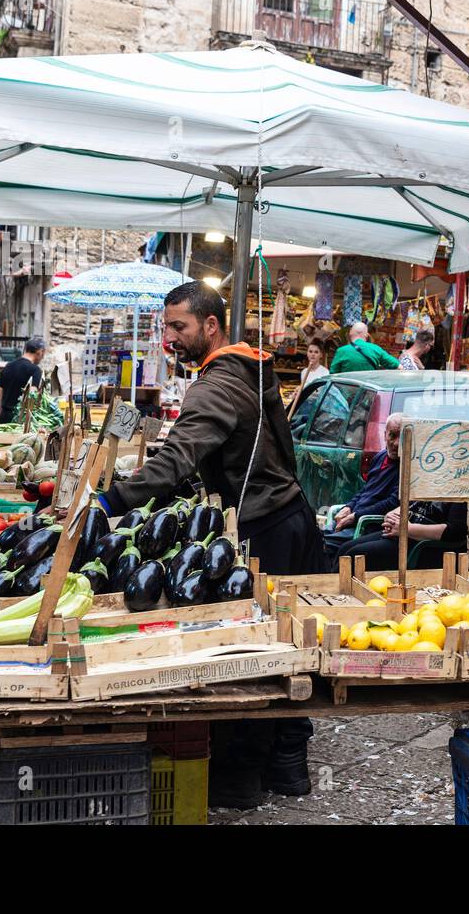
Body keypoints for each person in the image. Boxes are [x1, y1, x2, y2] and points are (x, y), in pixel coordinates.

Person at [93, 279, 325, 805]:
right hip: (289, 516)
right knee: (288, 643)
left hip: (265, 526)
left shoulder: (215, 385)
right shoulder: (247, 368)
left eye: (179, 326)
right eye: (166, 325)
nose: (169, 336)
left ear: (211, 325)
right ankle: (288, 768)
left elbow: (179, 455)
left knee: (255, 653)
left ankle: (242, 780)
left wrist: (113, 501)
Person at [323, 413, 403, 556]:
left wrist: (356, 515)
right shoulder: (380, 457)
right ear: (385, 435)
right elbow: (365, 490)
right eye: (392, 436)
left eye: (402, 437)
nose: (396, 443)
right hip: (353, 519)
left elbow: (392, 502)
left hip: (368, 526)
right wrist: (349, 507)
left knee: (324, 546)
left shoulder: (406, 467)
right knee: (312, 538)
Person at [336, 500, 467, 571]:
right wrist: (391, 515)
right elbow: (409, 505)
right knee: (344, 549)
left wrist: (407, 529)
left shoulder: (460, 492)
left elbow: (455, 532)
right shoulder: (429, 481)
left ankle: (342, 598)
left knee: (355, 554)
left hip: (423, 546)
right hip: (400, 534)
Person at [0, 338, 45, 423]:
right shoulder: (35, 370)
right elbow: (32, 395)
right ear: (39, 351)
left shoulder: (8, 366)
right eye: (43, 354)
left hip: (4, 417)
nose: (42, 357)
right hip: (20, 419)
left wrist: (1, 412)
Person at [329, 321, 399, 373]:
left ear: (350, 333)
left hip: (347, 391)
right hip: (369, 391)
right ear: (367, 335)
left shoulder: (341, 351)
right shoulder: (376, 349)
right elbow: (399, 367)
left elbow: (332, 374)